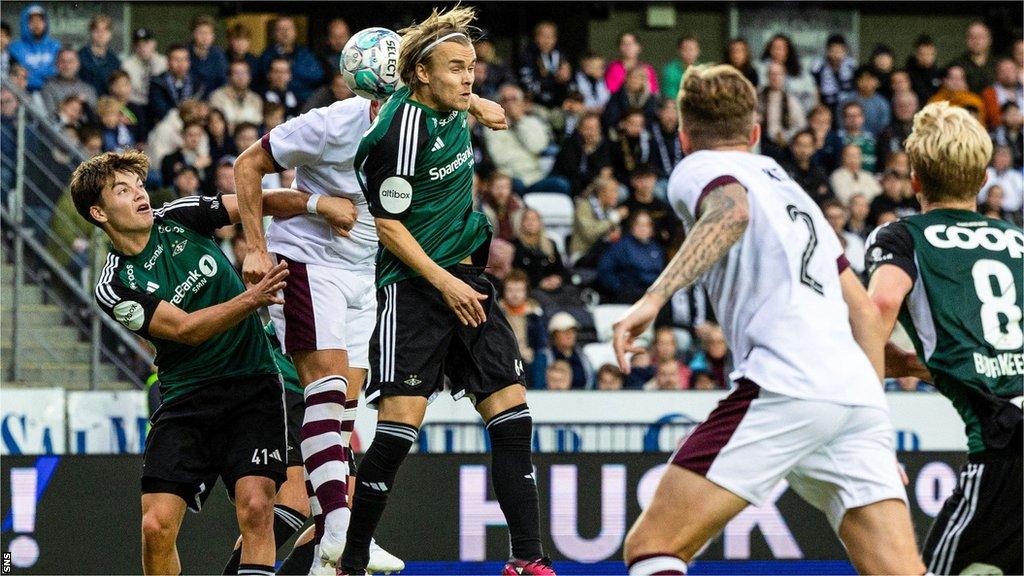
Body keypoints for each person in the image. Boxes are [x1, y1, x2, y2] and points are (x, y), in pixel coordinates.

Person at [612, 65, 923, 576]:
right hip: (855, 395)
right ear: (755, 133)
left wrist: (652, 299)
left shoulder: (696, 165)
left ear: (683, 135)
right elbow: (865, 312)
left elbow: (731, 212)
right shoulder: (795, 191)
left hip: (786, 382)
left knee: (654, 546)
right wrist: (872, 423)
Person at [237, 17, 510, 573]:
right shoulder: (333, 123)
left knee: (342, 415)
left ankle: (322, 555)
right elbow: (249, 164)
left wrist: (476, 103)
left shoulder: (428, 116)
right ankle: (337, 527)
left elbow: (457, 95)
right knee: (329, 385)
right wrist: (258, 248)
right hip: (309, 262)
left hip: (368, 272)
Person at [69, 151, 356, 576]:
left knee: (258, 508)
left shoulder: (181, 216)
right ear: (98, 212)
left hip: (253, 385)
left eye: (140, 186)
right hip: (187, 400)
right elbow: (185, 329)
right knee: (155, 526)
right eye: (123, 190)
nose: (140, 196)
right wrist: (251, 299)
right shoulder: (113, 285)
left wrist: (317, 204)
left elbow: (252, 199)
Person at [336, 8, 552, 574]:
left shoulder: (455, 104)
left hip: (468, 282)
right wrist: (444, 282)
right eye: (456, 69)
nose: (468, 78)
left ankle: (528, 560)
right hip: (414, 289)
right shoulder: (397, 136)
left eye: (472, 68)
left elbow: (464, 100)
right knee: (398, 433)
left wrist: (475, 103)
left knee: (512, 413)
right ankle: (351, 558)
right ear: (421, 75)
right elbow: (389, 227)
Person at [865, 101, 1022, 576]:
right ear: (982, 181)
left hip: (1005, 448)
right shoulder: (1017, 239)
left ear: (914, 180)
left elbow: (880, 306)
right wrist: (913, 365)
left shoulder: (901, 237)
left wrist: (868, 436)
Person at [484, 83, 566, 194]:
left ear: (522, 102)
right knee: (516, 185)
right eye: (505, 100)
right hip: (511, 178)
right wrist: (526, 156)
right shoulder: (491, 127)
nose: (510, 104)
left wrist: (519, 120)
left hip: (536, 177)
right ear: (499, 104)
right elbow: (499, 158)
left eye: (513, 99)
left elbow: (537, 147)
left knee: (561, 184)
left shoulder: (533, 122)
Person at [598, 210, 665, 303]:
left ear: (651, 229)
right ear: (632, 227)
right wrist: (619, 288)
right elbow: (605, 270)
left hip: (653, 296)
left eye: (646, 225)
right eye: (639, 224)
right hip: (629, 296)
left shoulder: (656, 248)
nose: (643, 228)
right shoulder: (621, 246)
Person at [498, 269, 547, 387]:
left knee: (541, 357)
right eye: (510, 290)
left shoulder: (535, 313)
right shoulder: (497, 312)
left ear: (526, 291)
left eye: (519, 290)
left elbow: (541, 342)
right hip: (503, 356)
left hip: (528, 357)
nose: (515, 295)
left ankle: (537, 391)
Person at [256, 17, 323, 101]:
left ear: (295, 32)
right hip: (275, 100)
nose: (285, 32)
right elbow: (268, 79)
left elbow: (317, 75)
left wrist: (292, 71)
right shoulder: (267, 55)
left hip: (303, 99)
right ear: (274, 33)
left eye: (288, 28)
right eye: (281, 29)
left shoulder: (304, 53)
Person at [551, 111, 613, 196]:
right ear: (580, 129)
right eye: (588, 128)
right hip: (567, 182)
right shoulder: (570, 144)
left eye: (596, 128)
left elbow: (605, 169)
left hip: (589, 185)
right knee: (563, 184)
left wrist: (593, 151)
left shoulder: (603, 145)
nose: (592, 133)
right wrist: (595, 177)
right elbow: (571, 173)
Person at [621, 165, 680, 249]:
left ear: (655, 179)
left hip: (659, 251)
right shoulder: (626, 208)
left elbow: (671, 232)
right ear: (633, 181)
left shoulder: (662, 206)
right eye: (640, 179)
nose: (645, 184)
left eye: (648, 178)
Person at [755, 34, 816, 113]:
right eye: (775, 48)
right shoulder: (760, 68)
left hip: (797, 115)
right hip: (768, 113)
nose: (778, 52)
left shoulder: (800, 71)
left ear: (788, 51)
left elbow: (811, 93)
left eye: (781, 48)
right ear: (769, 50)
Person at [511, 208, 568, 292]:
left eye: (534, 219)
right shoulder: (514, 245)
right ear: (521, 223)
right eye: (527, 219)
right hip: (530, 289)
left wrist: (557, 278)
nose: (531, 223)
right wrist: (539, 282)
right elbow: (516, 273)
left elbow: (560, 269)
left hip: (554, 287)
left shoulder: (551, 244)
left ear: (540, 223)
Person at [517, 21, 572, 109]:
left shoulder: (562, 56)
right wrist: (552, 80)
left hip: (559, 104)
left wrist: (566, 80)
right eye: (543, 36)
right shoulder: (527, 57)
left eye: (550, 36)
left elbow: (570, 84)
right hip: (535, 104)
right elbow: (527, 85)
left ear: (555, 39)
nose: (547, 40)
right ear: (536, 38)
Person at [757, 61, 807, 158]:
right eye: (772, 74)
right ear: (767, 76)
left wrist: (786, 136)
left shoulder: (791, 101)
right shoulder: (758, 97)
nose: (775, 77)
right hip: (761, 145)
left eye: (778, 74)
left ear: (784, 76)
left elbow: (801, 126)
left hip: (783, 147)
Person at [8, 4, 60, 92]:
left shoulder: (55, 46)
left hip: (53, 92)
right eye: (32, 21)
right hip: (25, 92)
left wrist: (32, 73)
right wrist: (45, 75)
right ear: (24, 23)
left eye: (40, 20)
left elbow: (60, 71)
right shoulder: (15, 48)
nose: (37, 24)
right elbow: (17, 76)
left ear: (45, 22)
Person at [149, 44, 205, 125]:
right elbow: (160, 111)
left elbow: (200, 108)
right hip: (167, 125)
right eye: (176, 60)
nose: (181, 64)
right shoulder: (157, 82)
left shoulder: (197, 82)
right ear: (168, 62)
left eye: (184, 59)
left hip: (193, 126)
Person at [542, 312, 592, 390]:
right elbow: (539, 386)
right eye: (564, 331)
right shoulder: (544, 357)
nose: (569, 335)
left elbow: (591, 383)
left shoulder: (583, 357)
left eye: (572, 331)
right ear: (554, 335)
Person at [811, 34, 857, 118]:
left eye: (840, 51)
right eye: (833, 51)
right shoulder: (819, 66)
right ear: (827, 51)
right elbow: (815, 87)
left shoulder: (852, 66)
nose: (836, 55)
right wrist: (818, 105)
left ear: (845, 51)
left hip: (847, 106)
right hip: (826, 105)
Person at [41, 49, 97, 116]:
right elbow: (50, 117)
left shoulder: (88, 89)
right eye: (63, 61)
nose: (67, 66)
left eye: (71, 61)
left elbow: (94, 115)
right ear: (56, 64)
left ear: (78, 64)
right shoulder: (48, 88)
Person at [783, 129, 832, 205]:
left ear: (814, 148)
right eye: (799, 145)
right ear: (792, 147)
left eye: (807, 146)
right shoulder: (783, 170)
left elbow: (828, 195)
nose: (803, 150)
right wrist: (817, 194)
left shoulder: (819, 171)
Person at [122, 28, 168, 107]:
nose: (142, 47)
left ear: (154, 43)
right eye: (138, 44)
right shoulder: (127, 65)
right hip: (136, 105)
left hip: (159, 105)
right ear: (134, 46)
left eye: (146, 43)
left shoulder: (164, 62)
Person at [948, 21, 996, 94]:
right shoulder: (956, 65)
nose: (976, 41)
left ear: (989, 39)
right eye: (972, 37)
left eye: (980, 37)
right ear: (966, 40)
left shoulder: (999, 64)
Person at [78, 15, 121, 96]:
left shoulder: (115, 61)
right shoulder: (79, 57)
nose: (101, 34)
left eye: (105, 30)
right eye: (97, 30)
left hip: (108, 105)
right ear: (90, 32)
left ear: (110, 34)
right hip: (86, 103)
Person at [845, 66, 890, 137]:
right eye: (862, 79)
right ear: (857, 82)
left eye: (870, 79)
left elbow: (884, 127)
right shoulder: (847, 101)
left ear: (878, 82)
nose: (866, 82)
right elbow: (842, 125)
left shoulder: (882, 103)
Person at [481, 172, 526, 242]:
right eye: (497, 187)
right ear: (489, 188)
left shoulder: (518, 205)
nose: (501, 192)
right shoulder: (480, 206)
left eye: (505, 187)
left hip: (514, 245)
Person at [188, 15, 228, 92]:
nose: (205, 37)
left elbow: (223, 81)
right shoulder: (184, 52)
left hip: (214, 98)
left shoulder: (219, 54)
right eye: (201, 33)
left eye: (208, 33)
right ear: (194, 34)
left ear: (213, 36)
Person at [981, 58, 1024, 130]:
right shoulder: (989, 93)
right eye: (1003, 71)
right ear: (997, 74)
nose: (1008, 75)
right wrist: (1009, 119)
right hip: (1000, 135)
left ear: (1017, 71)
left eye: (1011, 70)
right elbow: (992, 119)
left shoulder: (1022, 89)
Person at [878, 90, 919, 164]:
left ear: (916, 106)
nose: (905, 108)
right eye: (901, 105)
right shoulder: (887, 133)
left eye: (909, 105)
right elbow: (883, 159)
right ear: (894, 108)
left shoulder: (925, 130)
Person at [661, 35, 701, 101]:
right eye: (685, 49)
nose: (689, 53)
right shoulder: (670, 70)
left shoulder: (704, 70)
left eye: (692, 49)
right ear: (679, 51)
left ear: (698, 51)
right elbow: (670, 96)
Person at [906, 35, 942, 104]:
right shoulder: (907, 75)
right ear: (916, 54)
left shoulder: (939, 73)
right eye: (922, 54)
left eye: (930, 54)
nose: (926, 58)